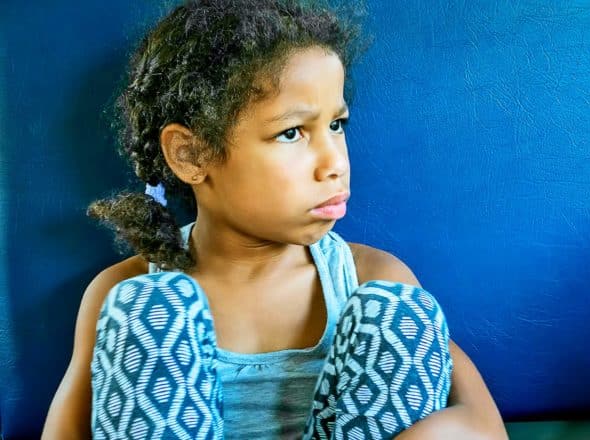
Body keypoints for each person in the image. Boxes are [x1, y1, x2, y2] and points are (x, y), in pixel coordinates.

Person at [42, 0, 505, 438]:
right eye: (291, 133)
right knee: (146, 308)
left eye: (336, 125)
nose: (335, 163)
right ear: (190, 154)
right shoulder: (120, 290)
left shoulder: (371, 277)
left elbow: (482, 425)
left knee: (400, 315)